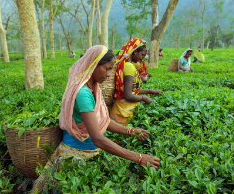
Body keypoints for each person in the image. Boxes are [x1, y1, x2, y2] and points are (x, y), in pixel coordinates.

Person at [30, 46, 160, 194]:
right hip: (78, 153)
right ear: (93, 65)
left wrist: (130, 131)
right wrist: (139, 157)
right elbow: (97, 138)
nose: (109, 74)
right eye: (107, 69)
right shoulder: (83, 93)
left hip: (93, 150)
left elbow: (103, 121)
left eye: (111, 69)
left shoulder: (93, 87)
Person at [110, 38, 163, 125]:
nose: (142, 57)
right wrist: (144, 98)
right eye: (142, 54)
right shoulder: (129, 67)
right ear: (135, 52)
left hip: (123, 109)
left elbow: (132, 90)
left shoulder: (126, 65)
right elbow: (128, 95)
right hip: (124, 113)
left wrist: (151, 92)